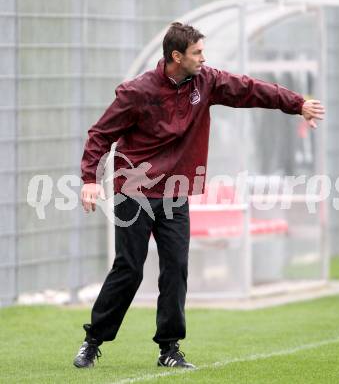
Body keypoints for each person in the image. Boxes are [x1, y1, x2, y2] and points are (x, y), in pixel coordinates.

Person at [73, 22, 325, 369]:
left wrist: (297, 104)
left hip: (175, 192)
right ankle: (93, 340)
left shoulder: (207, 82)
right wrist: (90, 178)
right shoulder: (137, 91)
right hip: (133, 192)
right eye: (197, 53)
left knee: (175, 267)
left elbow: (251, 90)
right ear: (176, 56)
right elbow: (101, 134)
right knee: (129, 269)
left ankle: (169, 349)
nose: (204, 59)